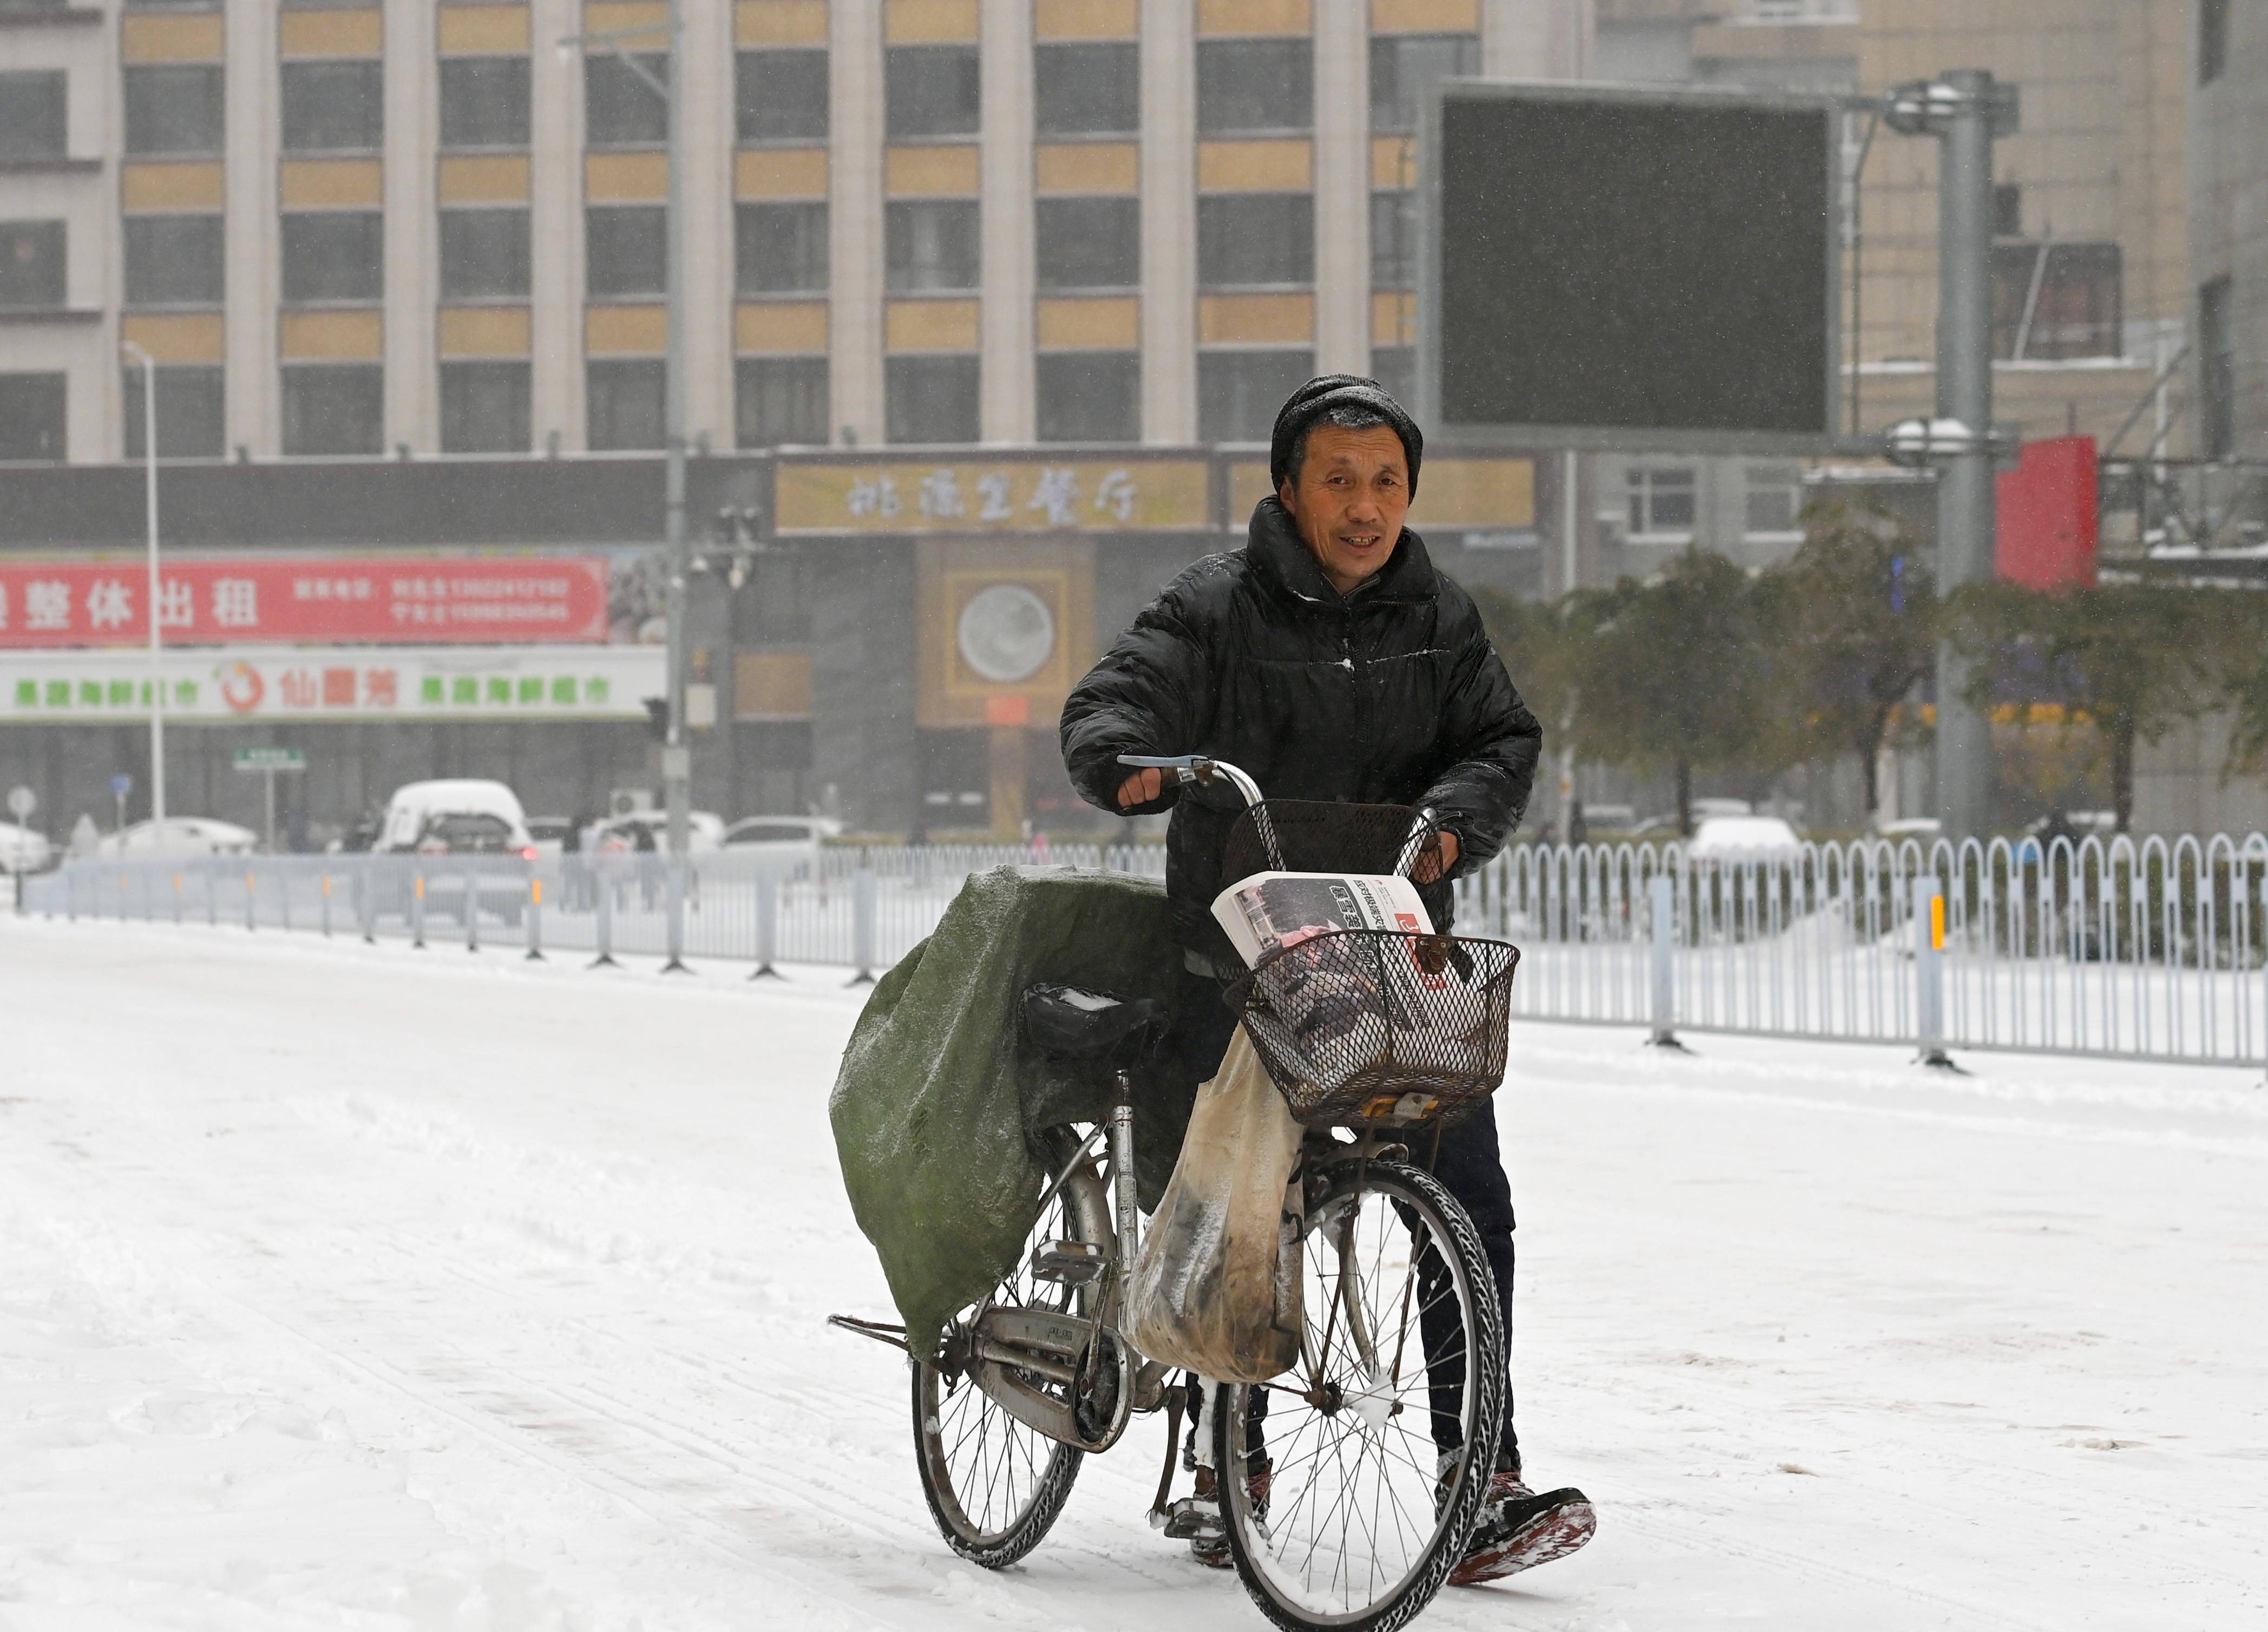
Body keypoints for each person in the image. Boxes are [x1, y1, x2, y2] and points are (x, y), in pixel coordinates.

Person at [1060, 375, 1595, 1585]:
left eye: (1387, 483)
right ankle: (1225, 1450)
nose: (1365, 507)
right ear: (1289, 490)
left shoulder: (1437, 615)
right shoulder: (1214, 604)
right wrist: (1126, 759)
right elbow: (1113, 696)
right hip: (1241, 953)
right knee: (1238, 1191)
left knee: (1470, 1192)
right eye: (1339, 482)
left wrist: (1460, 816)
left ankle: (1484, 1476)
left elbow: (1499, 740)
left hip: (1391, 951)